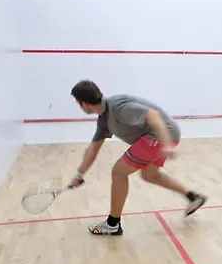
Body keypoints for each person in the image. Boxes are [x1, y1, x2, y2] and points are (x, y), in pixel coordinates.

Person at [69, 80, 207, 235]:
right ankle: (193, 196)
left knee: (119, 172)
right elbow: (93, 149)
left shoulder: (118, 107)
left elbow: (153, 115)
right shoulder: (104, 120)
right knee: (149, 175)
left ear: (83, 103)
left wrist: (166, 143)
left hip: (158, 136)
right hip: (165, 135)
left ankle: (113, 223)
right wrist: (79, 175)